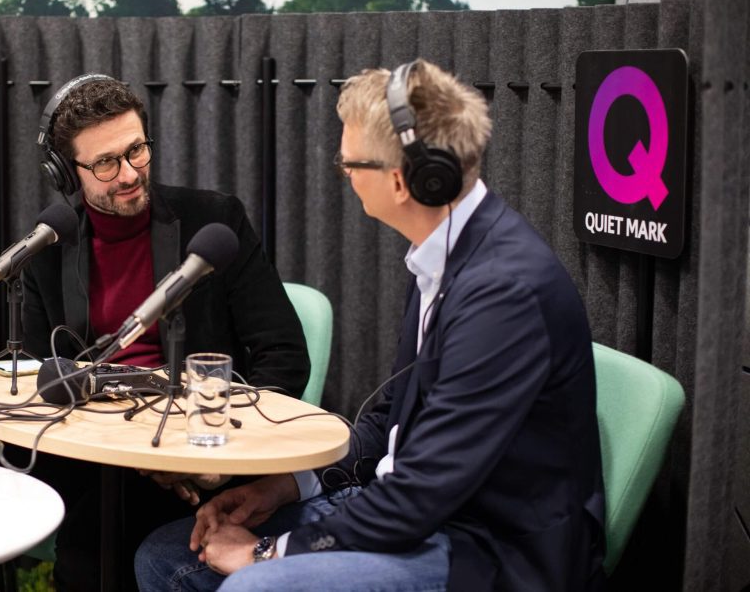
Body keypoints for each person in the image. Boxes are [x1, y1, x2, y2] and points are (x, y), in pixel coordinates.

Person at [134, 59, 607, 592]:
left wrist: (269, 554)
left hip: (485, 547)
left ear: (403, 180)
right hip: (412, 512)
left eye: (348, 163)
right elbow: (391, 423)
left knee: (254, 587)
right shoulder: (443, 256)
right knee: (166, 557)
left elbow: (421, 495)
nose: (346, 175)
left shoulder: (503, 296)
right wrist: (286, 488)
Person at [0, 75, 309, 591]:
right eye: (105, 163)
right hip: (84, 446)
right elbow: (32, 375)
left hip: (183, 448)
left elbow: (284, 355)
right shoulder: (47, 245)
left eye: (136, 150)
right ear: (67, 174)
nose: (129, 174)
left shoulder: (213, 222)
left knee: (100, 547)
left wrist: (214, 450)